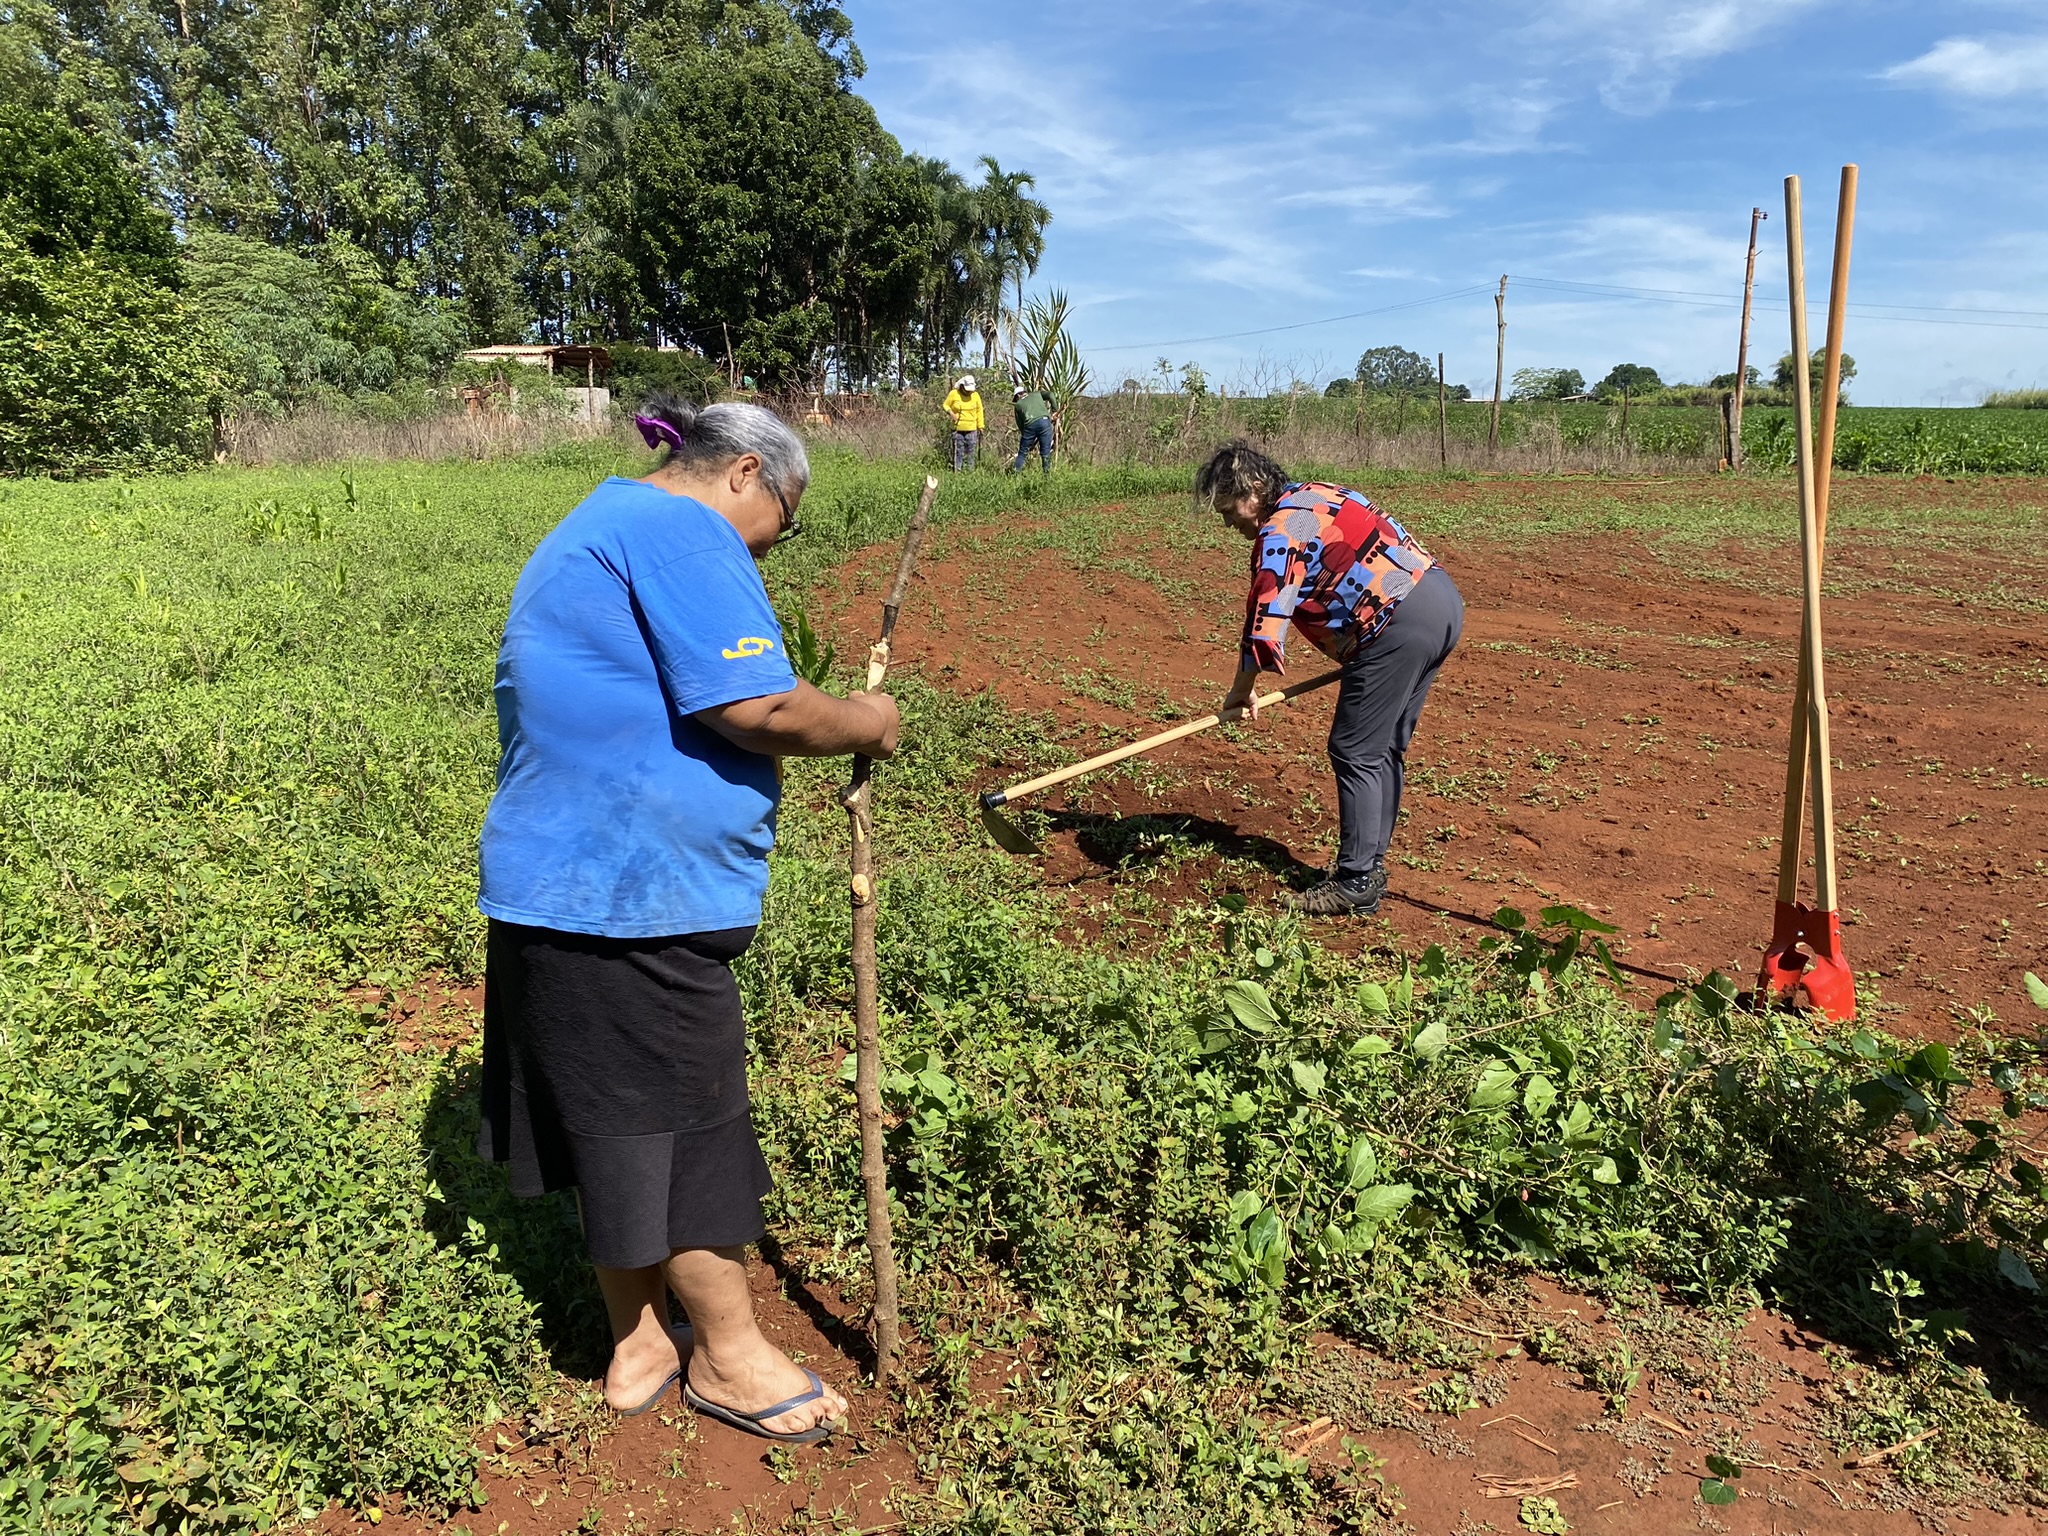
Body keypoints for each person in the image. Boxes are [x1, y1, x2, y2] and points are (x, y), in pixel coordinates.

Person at [476, 392, 898, 1445]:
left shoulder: (601, 518)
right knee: (687, 1125)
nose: (772, 548)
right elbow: (755, 706)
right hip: (627, 894)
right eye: (784, 524)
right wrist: (869, 724)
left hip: (560, 885)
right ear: (745, 475)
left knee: (611, 1124)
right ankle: (729, 1356)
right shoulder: (682, 526)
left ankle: (638, 1344)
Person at [1197, 440, 1463, 916]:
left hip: (1397, 624)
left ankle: (1356, 879)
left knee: (1355, 748)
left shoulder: (1280, 530)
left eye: (1228, 508)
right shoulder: (1316, 493)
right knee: (1383, 747)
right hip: (1438, 600)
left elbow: (1266, 619)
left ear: (1255, 488)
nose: (1228, 522)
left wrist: (1239, 692)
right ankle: (1370, 865)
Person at [941, 374, 984, 470]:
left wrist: (981, 426)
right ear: (962, 386)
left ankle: (970, 472)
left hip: (972, 429)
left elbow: (979, 411)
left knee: (971, 452)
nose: (969, 392)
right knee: (958, 451)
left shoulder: (976, 396)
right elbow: (945, 405)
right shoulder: (954, 394)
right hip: (958, 429)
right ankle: (957, 471)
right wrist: (951, 413)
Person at [1011, 382, 1055, 473]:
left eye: (1016, 398)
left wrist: (1027, 441)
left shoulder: (1018, 405)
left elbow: (1020, 425)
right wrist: (1055, 410)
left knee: (1022, 452)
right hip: (1045, 422)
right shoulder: (1037, 394)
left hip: (1030, 425)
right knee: (1045, 452)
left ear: (1018, 395)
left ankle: (1016, 474)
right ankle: (1046, 477)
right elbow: (1051, 394)